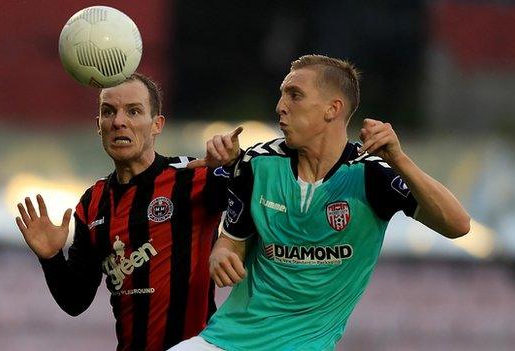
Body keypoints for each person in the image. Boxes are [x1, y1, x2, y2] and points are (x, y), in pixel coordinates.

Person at [171, 54, 471, 351]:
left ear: (332, 109)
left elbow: (458, 225)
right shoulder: (256, 163)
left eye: (295, 95)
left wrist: (400, 160)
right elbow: (233, 240)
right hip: (225, 340)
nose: (280, 106)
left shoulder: (370, 175)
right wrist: (221, 254)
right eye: (282, 95)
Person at [15, 73, 241, 351]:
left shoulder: (192, 178)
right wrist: (51, 259)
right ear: (99, 125)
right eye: (108, 112)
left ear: (157, 125)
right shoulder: (92, 203)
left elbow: (258, 197)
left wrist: (233, 165)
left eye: (133, 111)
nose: (119, 122)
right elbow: (75, 301)